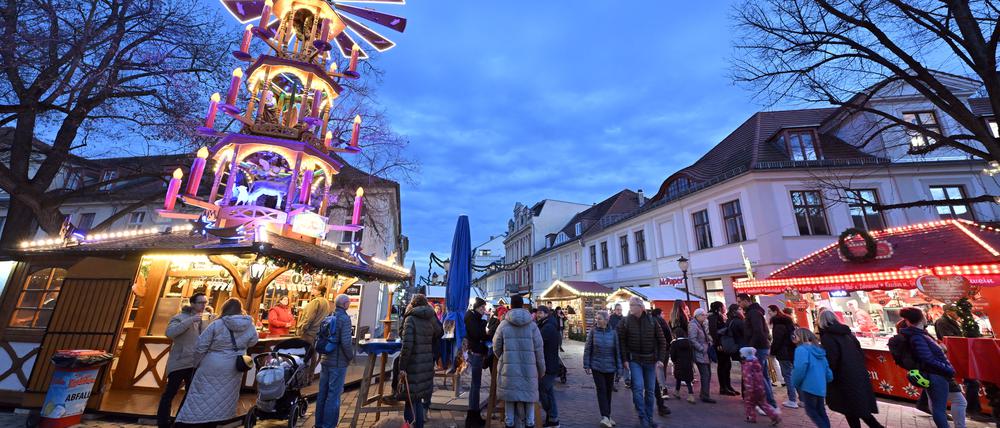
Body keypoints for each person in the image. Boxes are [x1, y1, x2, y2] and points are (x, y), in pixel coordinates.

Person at [174, 298, 258, 426]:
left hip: (212, 362)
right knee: (224, 396)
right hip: (235, 365)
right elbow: (253, 341)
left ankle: (192, 422)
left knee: (201, 395)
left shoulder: (217, 324)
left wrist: (197, 362)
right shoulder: (249, 325)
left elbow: (201, 345)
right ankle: (216, 421)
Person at [898, 307, 966, 428]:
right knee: (943, 407)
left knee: (938, 405)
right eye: (924, 315)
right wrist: (947, 368)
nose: (926, 317)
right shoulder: (917, 337)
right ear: (920, 319)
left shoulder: (919, 334)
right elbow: (927, 358)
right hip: (937, 374)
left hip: (935, 374)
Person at [817, 310, 883, 428]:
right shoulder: (848, 334)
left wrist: (828, 375)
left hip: (843, 377)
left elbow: (832, 359)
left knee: (851, 407)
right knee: (857, 407)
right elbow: (860, 352)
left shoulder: (828, 337)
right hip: (857, 373)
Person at [158, 293, 212, 428]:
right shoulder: (179, 317)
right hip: (180, 361)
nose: (204, 305)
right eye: (201, 302)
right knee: (170, 392)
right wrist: (190, 320)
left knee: (191, 394)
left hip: (196, 362)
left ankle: (180, 421)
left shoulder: (207, 319)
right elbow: (170, 334)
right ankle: (163, 422)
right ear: (192, 304)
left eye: (205, 302)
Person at [493, 295, 545, 428]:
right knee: (529, 397)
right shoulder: (533, 326)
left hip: (509, 368)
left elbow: (496, 346)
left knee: (510, 397)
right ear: (523, 306)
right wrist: (541, 369)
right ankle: (530, 422)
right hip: (529, 369)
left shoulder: (503, 324)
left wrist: (504, 358)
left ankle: (509, 422)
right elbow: (539, 350)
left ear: (510, 305)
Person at [619, 296, 667, 428]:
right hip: (635, 360)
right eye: (630, 305)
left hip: (650, 360)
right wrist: (625, 359)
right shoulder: (626, 321)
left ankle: (649, 417)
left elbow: (662, 341)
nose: (630, 307)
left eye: (632, 305)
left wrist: (660, 359)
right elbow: (621, 340)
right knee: (638, 388)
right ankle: (643, 417)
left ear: (640, 307)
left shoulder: (652, 321)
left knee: (650, 391)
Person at [398, 294, 444, 428]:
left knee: (410, 399)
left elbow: (407, 345)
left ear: (413, 304)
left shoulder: (410, 318)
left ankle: (410, 425)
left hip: (413, 364)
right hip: (426, 363)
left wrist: (402, 367)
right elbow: (440, 332)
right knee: (418, 398)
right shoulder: (431, 317)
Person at [934, 304, 981, 417]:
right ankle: (972, 411)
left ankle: (924, 403)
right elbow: (949, 339)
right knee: (971, 381)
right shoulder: (942, 322)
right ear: (949, 312)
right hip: (953, 356)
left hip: (957, 355)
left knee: (943, 381)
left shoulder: (953, 321)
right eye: (956, 312)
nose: (958, 314)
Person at [315, 294, 354, 428]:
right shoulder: (344, 319)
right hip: (338, 362)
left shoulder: (329, 316)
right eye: (348, 302)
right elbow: (346, 342)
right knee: (333, 395)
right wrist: (350, 356)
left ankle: (319, 423)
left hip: (326, 360)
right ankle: (328, 425)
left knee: (322, 393)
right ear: (345, 304)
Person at [584, 310, 623, 428]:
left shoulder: (613, 333)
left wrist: (619, 368)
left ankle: (608, 416)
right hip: (597, 366)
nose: (597, 320)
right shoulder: (593, 332)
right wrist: (586, 364)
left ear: (606, 320)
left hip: (610, 367)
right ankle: (605, 417)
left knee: (608, 392)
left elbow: (617, 351)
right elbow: (588, 348)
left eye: (599, 318)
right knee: (601, 390)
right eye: (596, 318)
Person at [737, 293, 777, 409]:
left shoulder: (753, 313)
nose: (739, 304)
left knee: (760, 376)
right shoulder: (754, 312)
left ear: (746, 301)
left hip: (758, 348)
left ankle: (769, 404)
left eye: (739, 302)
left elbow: (758, 331)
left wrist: (751, 348)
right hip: (760, 346)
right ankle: (769, 401)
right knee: (764, 375)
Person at [790, 329, 832, 428]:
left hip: (808, 386)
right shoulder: (818, 349)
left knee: (811, 411)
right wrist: (828, 378)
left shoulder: (801, 350)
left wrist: (795, 382)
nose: (793, 338)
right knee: (821, 411)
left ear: (800, 337)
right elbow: (827, 368)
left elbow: (800, 368)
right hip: (820, 386)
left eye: (794, 336)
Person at [739, 347, 782, 426]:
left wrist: (748, 389)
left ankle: (751, 417)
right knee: (763, 404)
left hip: (752, 389)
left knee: (749, 404)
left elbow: (748, 379)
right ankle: (775, 416)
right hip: (760, 388)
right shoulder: (756, 363)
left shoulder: (747, 366)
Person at [464, 297, 489, 427]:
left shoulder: (475, 317)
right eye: (482, 308)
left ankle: (474, 414)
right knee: (475, 385)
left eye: (484, 308)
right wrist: (484, 323)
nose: (484, 310)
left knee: (476, 385)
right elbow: (477, 334)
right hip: (475, 353)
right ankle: (472, 416)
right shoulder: (471, 317)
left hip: (477, 352)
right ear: (477, 307)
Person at [536, 305, 561, 427]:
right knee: (548, 391)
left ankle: (553, 417)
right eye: (537, 313)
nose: (538, 315)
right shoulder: (546, 325)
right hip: (549, 364)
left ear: (546, 314)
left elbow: (537, 342)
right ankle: (553, 419)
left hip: (548, 365)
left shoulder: (548, 327)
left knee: (543, 390)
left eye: (540, 313)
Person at [768, 305, 797, 408]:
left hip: (783, 353)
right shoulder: (788, 322)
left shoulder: (779, 325)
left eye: (770, 312)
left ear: (775, 311)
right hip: (791, 352)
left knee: (788, 376)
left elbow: (777, 341)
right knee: (793, 375)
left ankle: (792, 399)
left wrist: (772, 351)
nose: (768, 314)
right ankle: (801, 399)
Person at [708, 301, 737, 396]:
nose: (725, 308)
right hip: (720, 345)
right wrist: (718, 343)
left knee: (727, 365)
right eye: (723, 306)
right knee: (722, 365)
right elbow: (713, 331)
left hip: (725, 343)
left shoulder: (721, 316)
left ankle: (728, 386)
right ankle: (723, 387)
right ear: (720, 308)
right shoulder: (713, 317)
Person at [689, 308, 716, 403]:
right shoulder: (693, 325)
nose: (705, 317)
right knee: (705, 374)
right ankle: (705, 395)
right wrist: (702, 348)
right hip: (700, 353)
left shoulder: (701, 324)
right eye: (703, 315)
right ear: (698, 315)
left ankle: (705, 394)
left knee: (708, 374)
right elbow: (692, 339)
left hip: (705, 353)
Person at [650, 308, 674, 413]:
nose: (664, 314)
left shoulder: (650, 321)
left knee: (659, 372)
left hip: (655, 351)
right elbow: (668, 336)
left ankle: (662, 391)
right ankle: (663, 391)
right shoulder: (661, 322)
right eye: (663, 313)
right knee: (661, 371)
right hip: (663, 349)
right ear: (659, 314)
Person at [669, 327, 696, 403]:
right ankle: (689, 394)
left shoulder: (674, 343)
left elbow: (673, 354)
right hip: (687, 363)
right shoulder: (688, 342)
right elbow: (691, 353)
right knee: (688, 379)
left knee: (678, 377)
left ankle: (678, 392)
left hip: (678, 363)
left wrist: (674, 361)